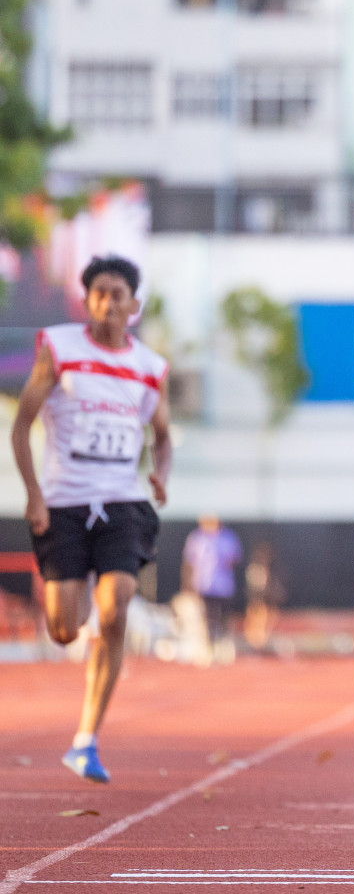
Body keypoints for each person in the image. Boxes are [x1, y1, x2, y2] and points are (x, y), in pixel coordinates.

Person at [9, 255, 171, 784]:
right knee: (63, 629)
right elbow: (22, 424)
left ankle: (86, 740)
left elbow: (163, 433)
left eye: (116, 293)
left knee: (116, 604)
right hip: (63, 504)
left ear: (134, 305)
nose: (107, 301)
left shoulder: (151, 367)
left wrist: (161, 474)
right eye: (97, 292)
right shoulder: (58, 348)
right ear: (88, 301)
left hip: (122, 502)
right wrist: (33, 495)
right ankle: (80, 630)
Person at [180, 515, 243, 663]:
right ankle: (208, 648)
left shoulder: (227, 537)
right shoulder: (196, 538)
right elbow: (189, 563)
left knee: (222, 618)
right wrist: (188, 585)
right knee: (206, 618)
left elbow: (235, 558)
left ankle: (223, 647)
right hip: (203, 585)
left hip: (223, 586)